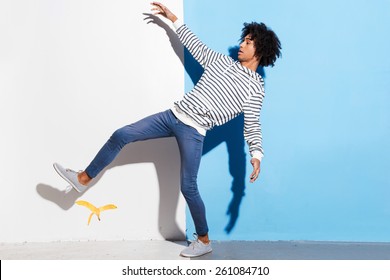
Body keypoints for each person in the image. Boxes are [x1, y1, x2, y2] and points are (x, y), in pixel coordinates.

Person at [53, 2, 281, 258]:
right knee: (122, 134)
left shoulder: (255, 88)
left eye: (248, 42)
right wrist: (172, 18)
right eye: (244, 39)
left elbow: (252, 124)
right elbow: (194, 44)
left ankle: (204, 240)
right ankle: (83, 179)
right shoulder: (220, 62)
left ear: (260, 49)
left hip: (194, 131)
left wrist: (256, 155)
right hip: (171, 116)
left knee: (188, 186)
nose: (242, 44)